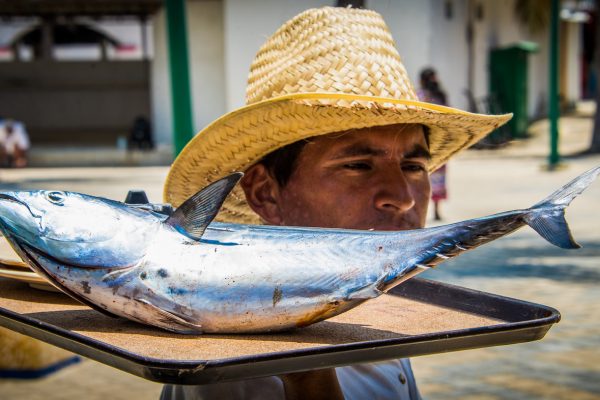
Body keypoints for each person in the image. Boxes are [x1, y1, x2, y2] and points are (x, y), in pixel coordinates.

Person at [162, 6, 510, 400]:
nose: (402, 197)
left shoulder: (366, 297)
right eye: (358, 166)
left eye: (413, 166)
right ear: (265, 193)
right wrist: (308, 377)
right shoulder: (236, 367)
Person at [417, 67, 448, 221]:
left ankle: (423, 210)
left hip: (423, 140)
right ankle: (435, 210)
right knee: (437, 176)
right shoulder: (440, 95)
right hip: (438, 139)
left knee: (420, 175)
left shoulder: (419, 95)